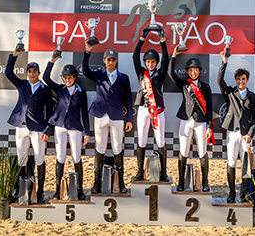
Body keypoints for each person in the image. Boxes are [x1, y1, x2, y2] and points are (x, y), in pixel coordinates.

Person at [82, 42, 133, 194]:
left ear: (116, 61)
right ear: (104, 60)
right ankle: (97, 183)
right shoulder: (99, 75)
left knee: (118, 149)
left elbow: (129, 100)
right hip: (100, 116)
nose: (111, 62)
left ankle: (121, 183)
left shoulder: (124, 78)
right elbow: (84, 70)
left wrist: (129, 118)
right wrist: (87, 51)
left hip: (117, 117)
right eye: (108, 59)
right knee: (100, 148)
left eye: (113, 59)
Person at [5, 49, 53, 203]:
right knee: (21, 160)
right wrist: (14, 57)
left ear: (39, 73)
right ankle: (22, 190)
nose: (32, 74)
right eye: (29, 71)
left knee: (40, 160)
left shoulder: (45, 90)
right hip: (21, 127)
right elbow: (8, 73)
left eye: (34, 72)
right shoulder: (22, 84)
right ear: (27, 73)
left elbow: (50, 112)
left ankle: (40, 192)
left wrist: (47, 129)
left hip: (38, 129)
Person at [43, 56, 90, 200]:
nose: (68, 80)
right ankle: (58, 190)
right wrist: (51, 61)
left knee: (76, 157)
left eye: (70, 77)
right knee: (60, 157)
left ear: (75, 78)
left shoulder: (81, 93)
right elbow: (46, 77)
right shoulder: (60, 89)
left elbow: (85, 113)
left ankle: (80, 190)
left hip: (75, 128)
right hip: (60, 127)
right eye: (65, 78)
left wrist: (86, 132)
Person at [217, 49, 255, 203]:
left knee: (246, 165)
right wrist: (224, 62)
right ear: (235, 80)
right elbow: (219, 81)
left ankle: (245, 195)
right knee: (231, 163)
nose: (240, 82)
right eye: (238, 79)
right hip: (232, 133)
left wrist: (250, 134)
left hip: (246, 136)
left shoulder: (253, 96)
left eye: (243, 79)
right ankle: (231, 193)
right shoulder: (230, 93)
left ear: (247, 80)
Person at [168, 46, 213, 192]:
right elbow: (170, 73)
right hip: (185, 120)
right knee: (184, 151)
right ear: (187, 72)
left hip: (200, 121)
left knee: (202, 152)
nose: (193, 72)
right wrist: (173, 56)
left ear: (199, 71)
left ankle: (205, 183)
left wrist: (210, 126)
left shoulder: (206, 87)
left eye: (196, 70)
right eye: (191, 70)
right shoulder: (184, 84)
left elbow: (210, 106)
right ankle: (181, 182)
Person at [132, 27, 169, 182]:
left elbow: (166, 59)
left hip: (158, 110)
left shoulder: (160, 73)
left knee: (160, 141)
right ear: (145, 62)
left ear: (156, 63)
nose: (151, 64)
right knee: (142, 139)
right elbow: (135, 56)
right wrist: (142, 39)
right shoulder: (141, 73)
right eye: (148, 61)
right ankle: (140, 171)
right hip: (143, 110)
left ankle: (163, 172)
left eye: (153, 62)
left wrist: (163, 41)